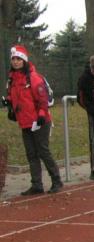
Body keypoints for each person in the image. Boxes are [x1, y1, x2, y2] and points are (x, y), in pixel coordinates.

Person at [5, 44, 62, 194]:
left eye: (18, 59)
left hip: (39, 121)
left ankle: (56, 179)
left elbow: (42, 98)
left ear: (24, 60)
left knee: (43, 151)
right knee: (31, 154)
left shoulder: (33, 77)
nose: (15, 62)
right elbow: (14, 96)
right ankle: (37, 184)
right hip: (25, 122)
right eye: (13, 59)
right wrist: (10, 105)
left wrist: (42, 114)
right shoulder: (12, 79)